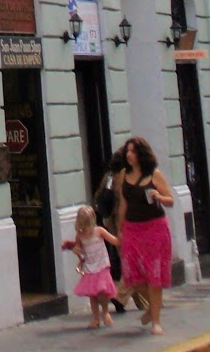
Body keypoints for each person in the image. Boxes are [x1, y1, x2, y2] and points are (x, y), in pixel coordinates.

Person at [116, 135, 174, 335]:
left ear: (141, 154)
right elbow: (123, 204)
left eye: (133, 151)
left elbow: (170, 200)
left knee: (153, 274)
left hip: (154, 228)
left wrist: (159, 196)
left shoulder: (154, 174)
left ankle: (156, 321)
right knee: (133, 276)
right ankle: (153, 307)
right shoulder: (124, 175)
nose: (129, 155)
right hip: (132, 229)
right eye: (127, 151)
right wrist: (120, 229)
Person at [94, 149, 135, 313]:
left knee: (126, 260)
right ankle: (120, 296)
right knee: (134, 263)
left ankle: (145, 302)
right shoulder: (126, 175)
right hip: (127, 223)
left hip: (112, 223)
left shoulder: (109, 175)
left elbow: (97, 196)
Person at [70, 204, 118, 328]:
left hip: (102, 264)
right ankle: (96, 318)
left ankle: (105, 312)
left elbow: (113, 240)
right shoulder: (80, 236)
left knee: (102, 291)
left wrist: (122, 239)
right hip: (90, 267)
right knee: (92, 294)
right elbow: (79, 249)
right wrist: (76, 250)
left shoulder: (99, 231)